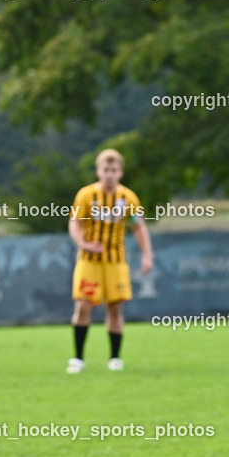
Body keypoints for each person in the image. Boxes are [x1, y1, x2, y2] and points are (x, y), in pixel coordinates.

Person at [67, 148, 153, 373]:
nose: (109, 174)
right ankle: (78, 358)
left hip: (116, 261)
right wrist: (83, 243)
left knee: (115, 308)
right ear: (98, 171)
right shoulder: (86, 195)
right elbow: (75, 223)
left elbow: (138, 227)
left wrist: (147, 255)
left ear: (120, 173)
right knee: (83, 306)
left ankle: (115, 358)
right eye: (105, 170)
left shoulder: (128, 198)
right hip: (89, 261)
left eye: (113, 170)